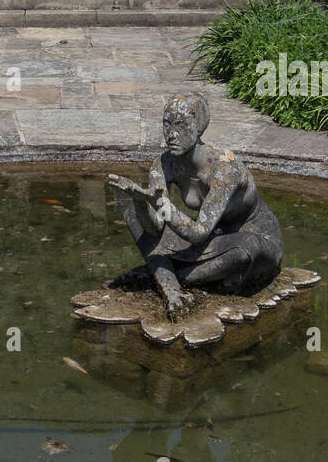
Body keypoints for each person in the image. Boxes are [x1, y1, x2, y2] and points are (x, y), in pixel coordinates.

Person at [108, 93, 283, 320]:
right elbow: (154, 228)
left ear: (199, 128)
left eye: (181, 125)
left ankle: (163, 273)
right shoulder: (164, 163)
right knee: (132, 214)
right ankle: (172, 289)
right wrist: (142, 203)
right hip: (214, 239)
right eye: (166, 124)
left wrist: (161, 204)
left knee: (245, 250)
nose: (172, 134)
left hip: (251, 240)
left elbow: (198, 234)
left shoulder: (223, 169)